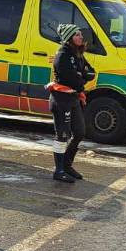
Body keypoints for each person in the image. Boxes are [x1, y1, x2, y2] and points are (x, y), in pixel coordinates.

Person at [48, 23, 93, 183]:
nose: (81, 37)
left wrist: (81, 76)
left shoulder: (78, 54)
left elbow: (91, 72)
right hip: (61, 100)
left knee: (80, 132)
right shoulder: (63, 55)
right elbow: (70, 78)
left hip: (74, 98)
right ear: (69, 38)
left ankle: (67, 165)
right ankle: (59, 170)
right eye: (77, 35)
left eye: (80, 34)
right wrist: (80, 77)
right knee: (62, 135)